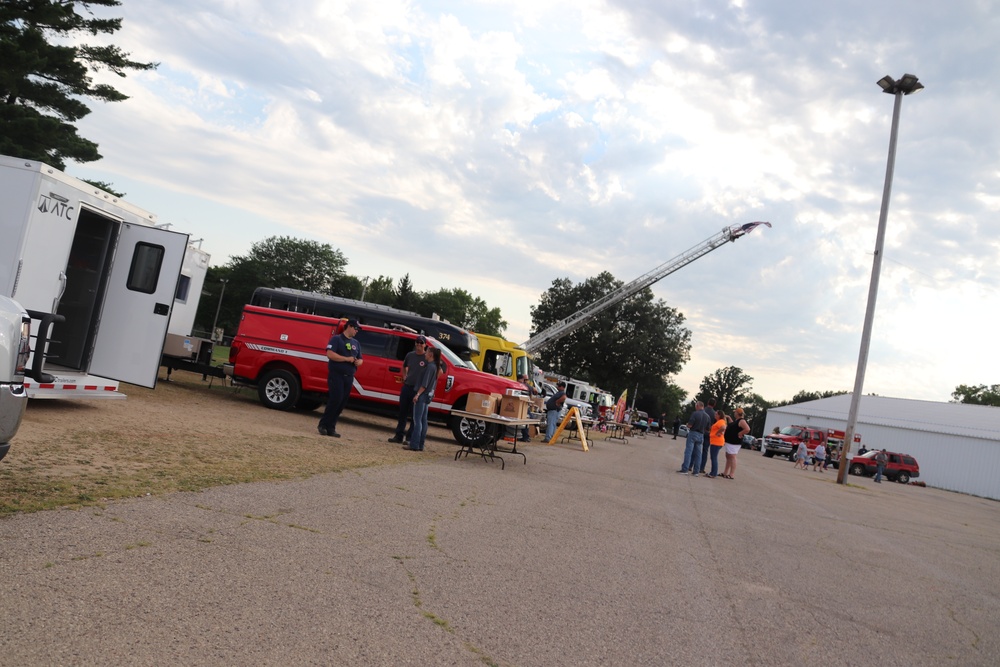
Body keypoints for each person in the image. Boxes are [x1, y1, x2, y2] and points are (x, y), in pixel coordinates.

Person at [318, 318, 363, 438]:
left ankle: (331, 427)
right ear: (350, 326)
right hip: (336, 375)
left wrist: (358, 362)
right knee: (335, 400)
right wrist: (346, 359)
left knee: (342, 402)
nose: (357, 331)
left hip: (349, 377)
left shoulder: (356, 343)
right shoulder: (337, 339)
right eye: (356, 328)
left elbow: (361, 359)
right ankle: (323, 425)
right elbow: (330, 354)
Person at [388, 335, 428, 444]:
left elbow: (438, 370)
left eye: (421, 342)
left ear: (425, 345)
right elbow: (404, 365)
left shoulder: (427, 358)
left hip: (417, 390)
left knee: (415, 416)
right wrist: (404, 376)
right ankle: (398, 435)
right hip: (407, 387)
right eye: (417, 342)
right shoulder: (410, 355)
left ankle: (410, 438)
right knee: (402, 413)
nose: (419, 344)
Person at [407, 346, 442, 451]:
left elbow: (424, 384)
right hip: (427, 395)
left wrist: (417, 394)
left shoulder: (430, 367)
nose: (425, 354)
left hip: (423, 395)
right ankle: (420, 444)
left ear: (431, 354)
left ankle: (414, 444)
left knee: (417, 420)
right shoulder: (435, 367)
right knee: (423, 420)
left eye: (427, 352)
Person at [678, 401, 710, 475]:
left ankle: (685, 469)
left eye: (696, 406)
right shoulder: (707, 416)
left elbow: (690, 425)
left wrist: (687, 425)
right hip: (701, 434)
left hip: (693, 433)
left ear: (698, 406)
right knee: (698, 453)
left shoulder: (695, 414)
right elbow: (708, 429)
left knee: (688, 451)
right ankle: (696, 471)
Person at [722, 408, 750, 479]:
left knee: (732, 456)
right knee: (728, 456)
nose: (734, 413)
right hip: (730, 441)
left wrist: (740, 433)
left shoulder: (742, 421)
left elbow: (747, 429)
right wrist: (729, 418)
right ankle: (725, 472)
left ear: (737, 413)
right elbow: (733, 425)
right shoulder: (737, 421)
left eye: (735, 412)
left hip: (734, 442)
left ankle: (731, 474)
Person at [698, 398, 717, 474]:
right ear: (714, 404)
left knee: (696, 449)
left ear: (707, 402)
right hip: (709, 433)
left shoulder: (703, 410)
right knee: (705, 451)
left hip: (700, 431)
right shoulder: (714, 413)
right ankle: (701, 468)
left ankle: (691, 465)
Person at [706, 410, 726, 478]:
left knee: (714, 457)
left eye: (716, 414)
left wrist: (717, 433)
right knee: (713, 457)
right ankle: (713, 472)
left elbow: (723, 427)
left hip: (716, 442)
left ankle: (714, 473)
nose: (715, 415)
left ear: (719, 415)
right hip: (715, 441)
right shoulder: (719, 421)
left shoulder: (721, 421)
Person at [518, 374, 535, 442]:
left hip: (523, 406)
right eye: (525, 380)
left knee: (526, 421)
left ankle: (525, 436)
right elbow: (534, 390)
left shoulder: (524, 385)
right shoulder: (524, 386)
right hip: (523, 406)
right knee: (526, 420)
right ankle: (525, 436)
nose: (526, 381)